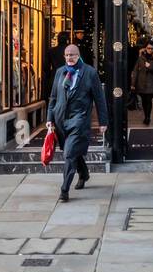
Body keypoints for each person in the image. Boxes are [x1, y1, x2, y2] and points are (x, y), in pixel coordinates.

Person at [46, 42, 108, 202]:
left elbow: (99, 99)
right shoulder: (60, 72)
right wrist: (50, 119)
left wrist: (103, 121)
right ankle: (84, 174)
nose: (69, 58)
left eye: (72, 55)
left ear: (78, 55)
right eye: (66, 55)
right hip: (60, 120)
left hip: (79, 120)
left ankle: (64, 190)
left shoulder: (90, 73)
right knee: (73, 152)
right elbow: (53, 98)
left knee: (69, 154)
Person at [130, 44, 153, 125]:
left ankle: (147, 117)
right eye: (148, 48)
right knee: (144, 100)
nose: (150, 50)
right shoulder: (140, 58)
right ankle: (146, 115)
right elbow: (135, 71)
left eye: (152, 48)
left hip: (152, 83)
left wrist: (150, 67)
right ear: (145, 48)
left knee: (148, 100)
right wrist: (133, 83)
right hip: (141, 82)